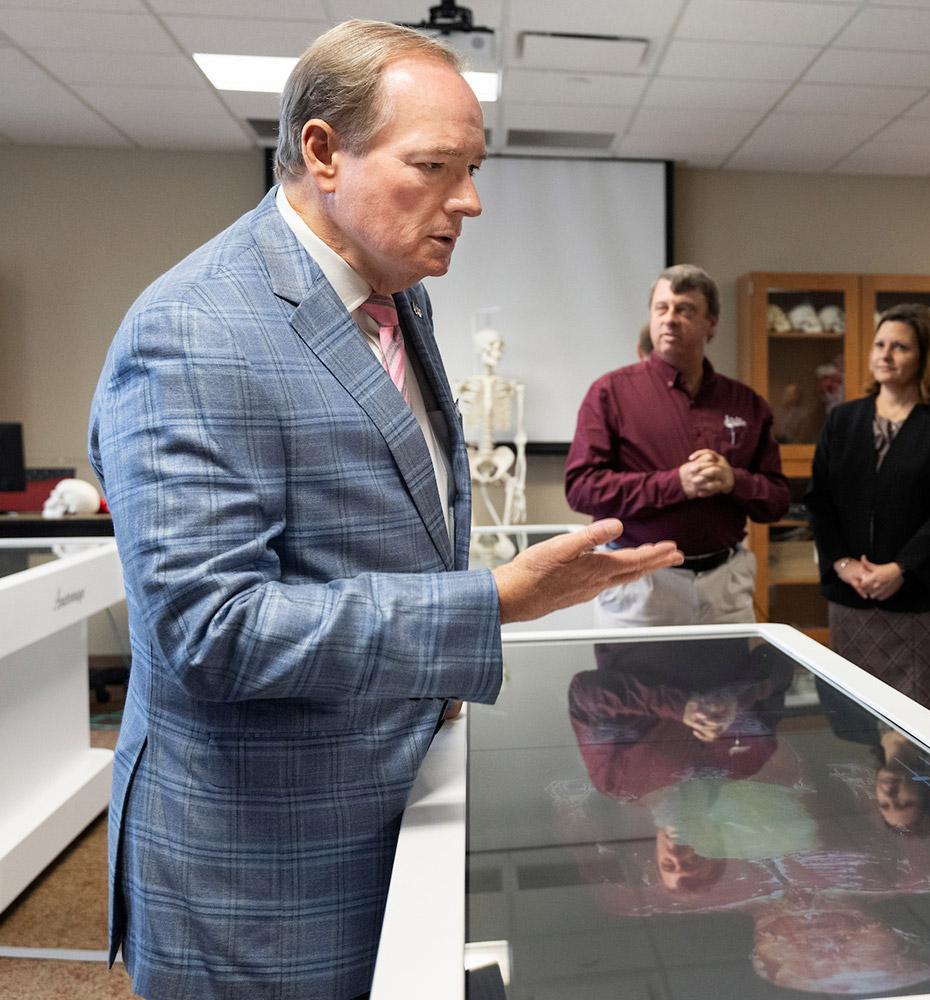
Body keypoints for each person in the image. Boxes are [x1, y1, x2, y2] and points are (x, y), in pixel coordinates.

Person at [86, 21, 680, 999]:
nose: (471, 201)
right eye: (435, 166)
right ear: (322, 152)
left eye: (474, 168)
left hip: (389, 806)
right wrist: (487, 604)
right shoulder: (194, 328)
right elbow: (208, 629)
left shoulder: (400, 295)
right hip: (258, 863)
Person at [566, 265, 790, 627]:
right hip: (641, 585)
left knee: (730, 681)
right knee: (633, 682)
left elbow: (778, 500)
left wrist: (734, 481)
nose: (670, 320)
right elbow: (581, 490)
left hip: (725, 584)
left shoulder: (746, 403)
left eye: (685, 310)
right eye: (662, 308)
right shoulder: (610, 393)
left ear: (711, 324)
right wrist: (677, 484)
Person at [806, 303, 930, 727]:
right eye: (880, 344)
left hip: (921, 604)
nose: (885, 354)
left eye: (899, 347)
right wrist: (843, 565)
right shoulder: (843, 419)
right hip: (853, 599)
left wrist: (900, 567)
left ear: (924, 356)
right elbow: (819, 501)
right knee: (857, 726)